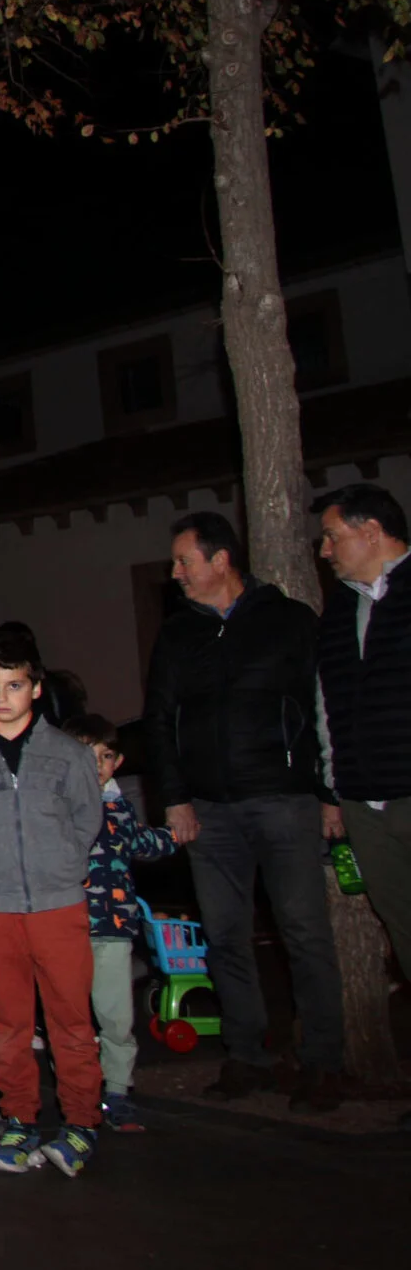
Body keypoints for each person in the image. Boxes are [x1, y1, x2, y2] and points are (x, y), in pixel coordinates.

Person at [138, 507, 343, 1109]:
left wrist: (328, 794)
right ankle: (247, 1055)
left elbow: (322, 708)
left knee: (304, 933)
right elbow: (159, 721)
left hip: (284, 801)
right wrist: (173, 798)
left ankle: (322, 1063)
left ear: (221, 560)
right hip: (209, 811)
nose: (175, 573)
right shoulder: (178, 634)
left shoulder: (289, 621)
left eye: (184, 560)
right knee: (224, 937)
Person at [0, 624, 105, 1177]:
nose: (1, 698)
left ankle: (81, 1123)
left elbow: (88, 818)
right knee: (8, 1023)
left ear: (35, 687)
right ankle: (20, 1120)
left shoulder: (66, 752)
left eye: (13, 685)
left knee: (71, 1022)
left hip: (58, 906)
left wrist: (62, 866)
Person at [310, 481, 411, 1131]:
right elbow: (326, 709)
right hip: (365, 801)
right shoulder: (339, 615)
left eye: (333, 535)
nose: (324, 550)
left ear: (371, 531)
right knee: (407, 941)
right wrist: (331, 789)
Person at [60, 714, 177, 1131]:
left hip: (112, 927)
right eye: (85, 756)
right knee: (71, 1019)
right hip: (66, 928)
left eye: (105, 756)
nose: (95, 765)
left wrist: (175, 835)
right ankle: (78, 1092)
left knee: (115, 1017)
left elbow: (141, 842)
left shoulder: (118, 805)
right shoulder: (57, 803)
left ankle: (117, 1091)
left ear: (117, 761)